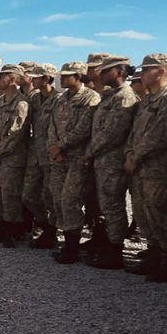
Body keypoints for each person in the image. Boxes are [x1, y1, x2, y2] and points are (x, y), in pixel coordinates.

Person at [124, 54, 167, 281]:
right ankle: (153, 256)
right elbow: (135, 133)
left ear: (160, 71)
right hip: (140, 169)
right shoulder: (148, 100)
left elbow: (160, 137)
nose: (142, 75)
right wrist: (130, 154)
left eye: (147, 70)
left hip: (159, 170)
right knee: (144, 215)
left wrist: (135, 157)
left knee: (162, 216)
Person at [82, 56, 138, 270]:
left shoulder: (124, 97)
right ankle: (106, 244)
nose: (101, 74)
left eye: (106, 71)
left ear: (119, 72)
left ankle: (115, 252)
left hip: (113, 161)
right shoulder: (110, 95)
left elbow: (113, 133)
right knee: (105, 205)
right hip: (103, 160)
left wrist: (90, 151)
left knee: (113, 207)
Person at [46, 61, 100, 264]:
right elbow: (52, 126)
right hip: (59, 158)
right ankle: (66, 242)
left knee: (71, 200)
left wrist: (61, 146)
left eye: (67, 75)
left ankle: (72, 248)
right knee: (58, 199)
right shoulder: (61, 99)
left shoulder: (90, 97)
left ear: (78, 76)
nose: (61, 78)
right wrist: (54, 147)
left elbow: (84, 128)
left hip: (77, 158)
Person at [0, 64, 30, 247]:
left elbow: (15, 134)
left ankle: (13, 230)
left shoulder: (22, 103)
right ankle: (2, 227)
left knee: (10, 195)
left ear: (12, 79)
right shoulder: (0, 100)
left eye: (2, 76)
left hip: (11, 158)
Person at [22, 64, 59, 248]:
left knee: (51, 197)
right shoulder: (34, 98)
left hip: (53, 155)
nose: (32, 80)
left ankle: (51, 233)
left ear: (46, 79)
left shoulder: (59, 99)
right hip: (35, 154)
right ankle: (44, 224)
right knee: (28, 195)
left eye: (36, 77)